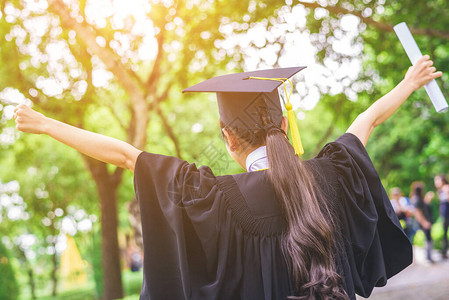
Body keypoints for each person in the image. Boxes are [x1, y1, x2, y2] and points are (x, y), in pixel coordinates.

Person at [13, 55, 440, 300]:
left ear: (227, 137)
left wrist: (48, 124)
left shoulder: (213, 195)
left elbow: (127, 156)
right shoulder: (329, 175)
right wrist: (409, 82)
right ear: (286, 126)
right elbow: (367, 122)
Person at [409, 182, 434, 263]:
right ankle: (427, 257)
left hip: (423, 221)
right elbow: (417, 212)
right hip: (422, 222)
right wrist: (424, 222)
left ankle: (428, 257)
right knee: (425, 239)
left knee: (427, 239)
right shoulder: (416, 199)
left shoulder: (417, 198)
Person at [434, 174, 449, 259]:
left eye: (437, 180)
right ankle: (444, 251)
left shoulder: (446, 188)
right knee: (444, 233)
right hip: (444, 215)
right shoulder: (439, 191)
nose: (435, 183)